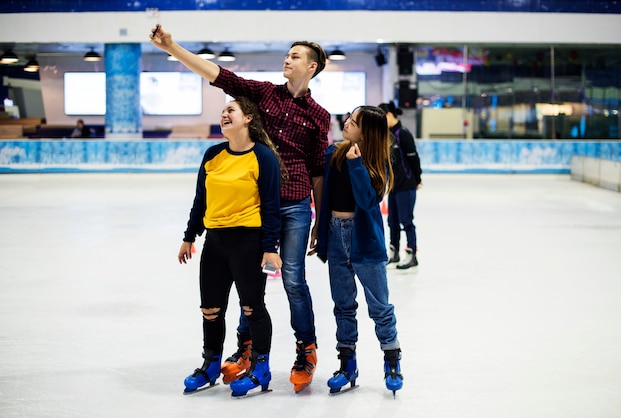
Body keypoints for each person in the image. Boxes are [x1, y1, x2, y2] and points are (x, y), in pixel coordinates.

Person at [151, 25, 330, 393]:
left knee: (294, 278)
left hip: (294, 203)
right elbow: (217, 74)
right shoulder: (263, 94)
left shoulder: (319, 115)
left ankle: (305, 349)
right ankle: (246, 349)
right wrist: (172, 47)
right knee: (252, 285)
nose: (288, 58)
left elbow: (317, 170)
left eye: (295, 55)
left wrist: (320, 218)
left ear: (312, 67)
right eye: (288, 53)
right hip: (253, 205)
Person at [177, 96, 284, 397]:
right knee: (210, 310)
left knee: (252, 308)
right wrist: (189, 236)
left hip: (248, 243)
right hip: (215, 242)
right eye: (222, 110)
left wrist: (270, 247)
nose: (224, 114)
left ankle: (260, 369)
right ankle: (210, 365)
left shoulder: (262, 157)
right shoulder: (212, 155)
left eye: (231, 110)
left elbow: (271, 208)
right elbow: (201, 200)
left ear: (248, 118)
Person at [312, 106, 403, 396]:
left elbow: (367, 201)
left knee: (380, 307)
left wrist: (357, 166)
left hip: (366, 241)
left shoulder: (378, 164)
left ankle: (392, 362)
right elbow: (325, 197)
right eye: (349, 119)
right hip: (335, 234)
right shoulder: (333, 153)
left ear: (368, 133)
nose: (346, 124)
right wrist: (319, 230)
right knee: (343, 305)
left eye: (353, 122)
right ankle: (347, 364)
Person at [378, 101, 422, 269]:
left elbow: (413, 158)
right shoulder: (387, 135)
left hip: (407, 184)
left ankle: (412, 255)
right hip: (394, 186)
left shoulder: (403, 134)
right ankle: (394, 253)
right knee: (392, 220)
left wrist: (418, 179)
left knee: (406, 220)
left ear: (389, 115)